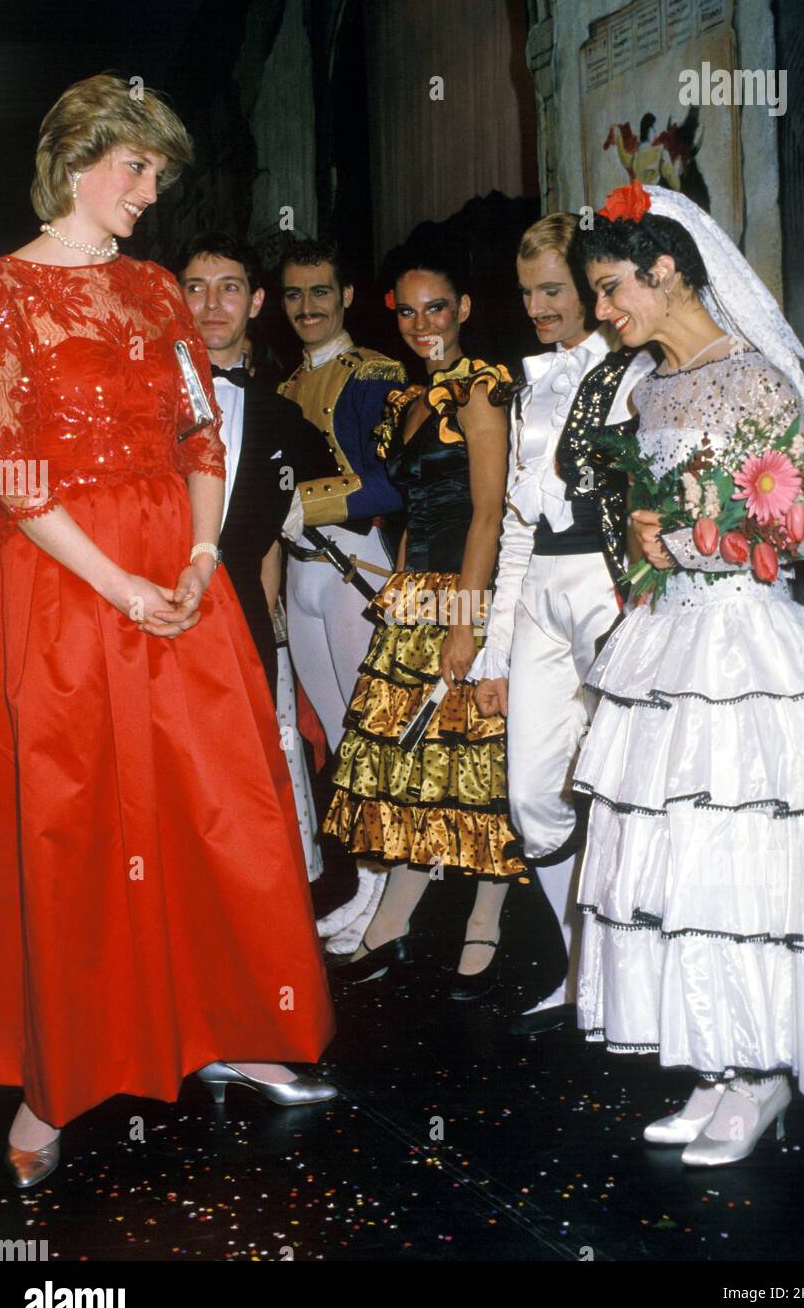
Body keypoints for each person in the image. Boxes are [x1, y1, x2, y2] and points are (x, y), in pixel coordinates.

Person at [0, 74, 336, 1191]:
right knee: (73, 824)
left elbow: (200, 435)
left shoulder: (155, 291)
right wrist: (121, 585)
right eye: (134, 168)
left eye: (158, 175)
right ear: (75, 159)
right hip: (62, 580)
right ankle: (54, 1078)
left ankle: (225, 1022)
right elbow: (4, 471)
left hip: (180, 577)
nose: (148, 191)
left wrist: (191, 556)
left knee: (216, 807)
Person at [570, 180, 804, 1165]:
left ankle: (762, 1073)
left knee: (749, 851)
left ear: (665, 270)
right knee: (681, 856)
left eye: (609, 286)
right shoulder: (647, 389)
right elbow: (653, 514)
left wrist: (679, 541)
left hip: (746, 646)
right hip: (669, 638)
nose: (601, 310)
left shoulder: (754, 378)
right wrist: (646, 543)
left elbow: (786, 531)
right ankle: (718, 1062)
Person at [323, 239, 529, 997]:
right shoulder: (411, 402)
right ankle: (394, 923)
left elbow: (486, 514)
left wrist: (467, 622)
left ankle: (486, 920)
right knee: (413, 762)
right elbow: (410, 512)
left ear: (465, 309)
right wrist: (403, 593)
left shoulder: (482, 389)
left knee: (476, 761)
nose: (421, 324)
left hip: (469, 589)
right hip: (418, 592)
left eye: (435, 307)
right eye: (406, 312)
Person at [472, 213, 654, 1035]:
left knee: (627, 790)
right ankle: (581, 965)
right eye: (526, 294)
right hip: (542, 584)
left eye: (553, 290)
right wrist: (492, 654)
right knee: (531, 797)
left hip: (611, 587)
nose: (539, 308)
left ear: (588, 287)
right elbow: (514, 523)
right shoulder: (529, 381)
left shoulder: (635, 372)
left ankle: (635, 981)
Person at [179, 229, 336, 880]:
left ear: (255, 301)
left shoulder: (283, 420)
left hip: (241, 625)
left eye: (230, 288)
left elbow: (276, 533)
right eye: (195, 288)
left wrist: (272, 631)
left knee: (244, 785)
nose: (212, 304)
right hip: (156, 622)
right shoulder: (135, 405)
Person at [279, 238, 407, 954]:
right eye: (294, 294)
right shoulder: (287, 384)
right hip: (302, 570)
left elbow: (391, 480)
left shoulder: (375, 374)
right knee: (335, 730)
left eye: (320, 292)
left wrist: (306, 502)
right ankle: (367, 883)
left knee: (369, 734)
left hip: (353, 560)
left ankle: (390, 897)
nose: (306, 307)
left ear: (346, 295)